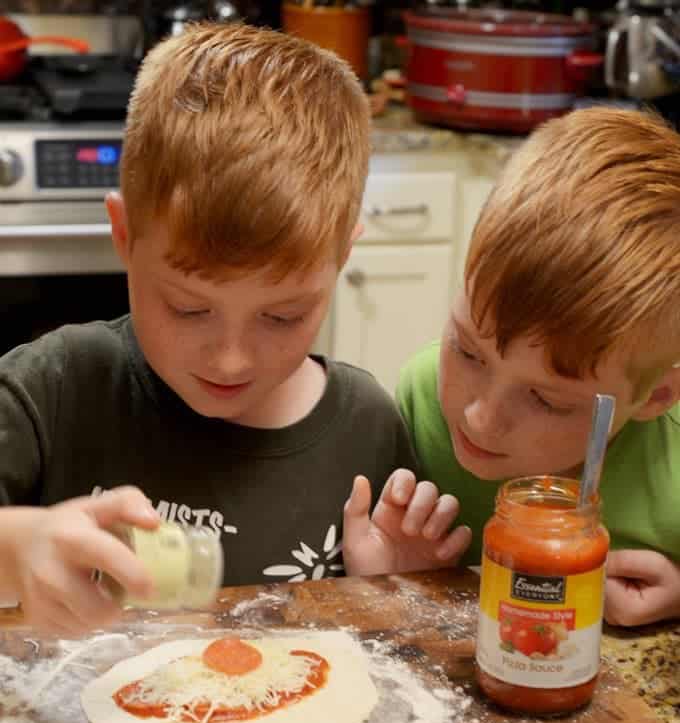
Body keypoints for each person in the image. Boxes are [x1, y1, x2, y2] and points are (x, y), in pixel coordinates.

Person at [0, 22, 468, 637]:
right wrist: (17, 547)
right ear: (123, 236)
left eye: (283, 316)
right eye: (190, 309)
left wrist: (391, 588)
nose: (230, 360)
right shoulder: (53, 390)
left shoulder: (366, 431)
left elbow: (387, 652)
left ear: (342, 259)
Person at [394, 105, 680, 628]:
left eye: (547, 399)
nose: (481, 417)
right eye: (467, 351)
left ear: (657, 396)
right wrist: (389, 570)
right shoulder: (417, 399)